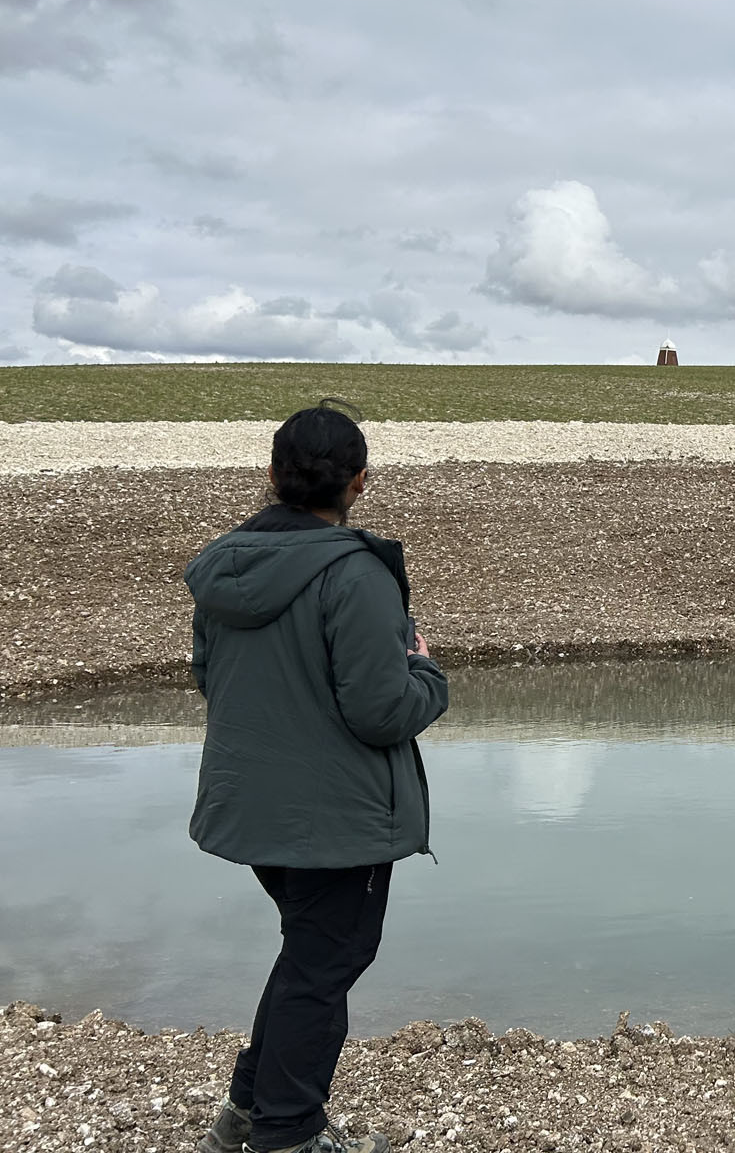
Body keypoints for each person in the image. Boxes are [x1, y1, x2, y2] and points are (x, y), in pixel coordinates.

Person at [187, 401, 449, 1153]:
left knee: (308, 955)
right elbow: (380, 711)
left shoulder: (224, 567)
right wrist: (427, 673)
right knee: (324, 967)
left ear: (272, 474)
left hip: (251, 808)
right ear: (359, 483)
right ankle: (288, 1134)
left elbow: (212, 680)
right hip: (338, 821)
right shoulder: (354, 573)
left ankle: (249, 1113)